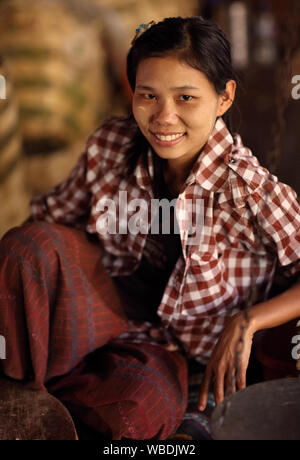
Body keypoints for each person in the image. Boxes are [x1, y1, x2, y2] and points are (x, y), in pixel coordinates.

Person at [1, 16, 300, 440]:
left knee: (133, 416)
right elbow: (51, 221)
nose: (164, 117)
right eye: (148, 96)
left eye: (185, 97)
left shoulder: (253, 193)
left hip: (166, 349)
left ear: (224, 97)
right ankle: (22, 391)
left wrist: (246, 321)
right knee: (25, 248)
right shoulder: (112, 144)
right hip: (103, 298)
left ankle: (60, 376)